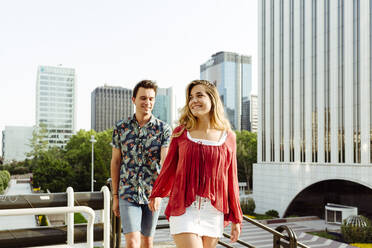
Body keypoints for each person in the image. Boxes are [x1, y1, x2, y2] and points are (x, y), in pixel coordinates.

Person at [149, 80, 243, 248]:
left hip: (214, 212)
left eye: (199, 95)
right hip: (184, 208)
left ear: (212, 99)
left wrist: (236, 218)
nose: (193, 100)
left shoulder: (228, 137)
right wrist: (156, 193)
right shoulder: (181, 133)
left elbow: (231, 179)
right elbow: (169, 167)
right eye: (190, 97)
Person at [110, 80, 172, 248]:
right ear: (134, 100)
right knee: (132, 242)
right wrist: (115, 196)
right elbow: (115, 162)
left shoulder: (164, 129)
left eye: (151, 98)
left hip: (152, 193)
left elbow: (165, 163)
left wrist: (159, 193)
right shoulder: (121, 128)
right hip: (127, 192)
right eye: (143, 98)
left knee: (147, 241)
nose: (147, 102)